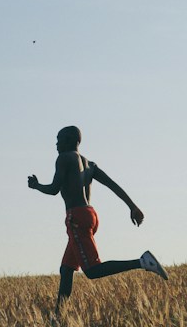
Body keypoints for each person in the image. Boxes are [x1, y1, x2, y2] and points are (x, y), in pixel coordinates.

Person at [27, 125, 167, 310]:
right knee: (66, 269)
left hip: (76, 217)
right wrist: (132, 207)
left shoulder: (64, 158)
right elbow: (112, 185)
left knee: (93, 271)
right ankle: (58, 317)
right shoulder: (89, 165)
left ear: (70, 140)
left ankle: (142, 262)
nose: (56, 144)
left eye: (59, 139)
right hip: (91, 215)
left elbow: (54, 189)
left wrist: (36, 186)